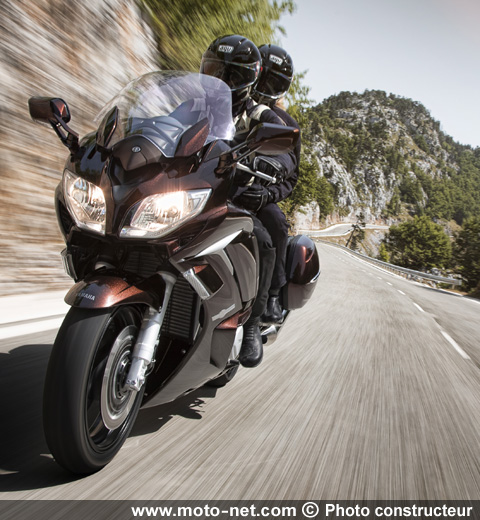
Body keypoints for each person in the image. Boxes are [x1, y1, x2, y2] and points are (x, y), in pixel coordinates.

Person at [200, 35, 296, 368]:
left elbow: (287, 159)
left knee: (268, 238)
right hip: (197, 185)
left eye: (232, 75)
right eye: (215, 71)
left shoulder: (262, 115)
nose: (222, 81)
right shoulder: (198, 105)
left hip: (240, 192)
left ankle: (255, 319)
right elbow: (166, 122)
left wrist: (265, 175)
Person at [250, 44, 300, 323]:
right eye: (263, 77)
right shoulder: (231, 104)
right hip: (216, 182)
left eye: (274, 82)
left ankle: (271, 294)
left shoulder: (286, 123)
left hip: (257, 194)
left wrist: (267, 194)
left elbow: (291, 177)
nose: (265, 86)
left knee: (277, 224)